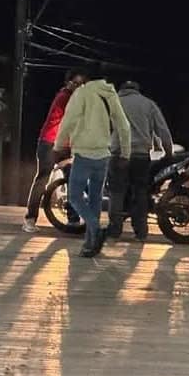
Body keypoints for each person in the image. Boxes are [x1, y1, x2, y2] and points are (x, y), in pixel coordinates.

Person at [54, 68, 131, 257]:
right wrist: (126, 153)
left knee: (74, 196)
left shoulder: (82, 92)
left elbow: (68, 120)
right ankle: (90, 245)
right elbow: (123, 125)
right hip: (103, 156)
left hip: (84, 154)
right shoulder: (110, 94)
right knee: (95, 198)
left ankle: (95, 229)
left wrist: (57, 145)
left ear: (87, 78)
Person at [22, 67, 89, 233]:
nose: (79, 87)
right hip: (50, 143)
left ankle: (73, 220)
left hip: (64, 146)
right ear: (68, 83)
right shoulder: (65, 97)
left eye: (82, 84)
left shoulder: (74, 98)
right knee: (43, 179)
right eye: (76, 83)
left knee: (73, 178)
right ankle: (30, 220)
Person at [108, 81, 174, 241]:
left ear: (121, 90)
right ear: (137, 91)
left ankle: (115, 230)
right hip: (141, 156)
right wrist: (168, 151)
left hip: (119, 154)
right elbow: (162, 129)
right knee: (140, 192)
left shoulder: (114, 102)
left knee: (116, 193)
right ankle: (141, 232)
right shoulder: (148, 104)